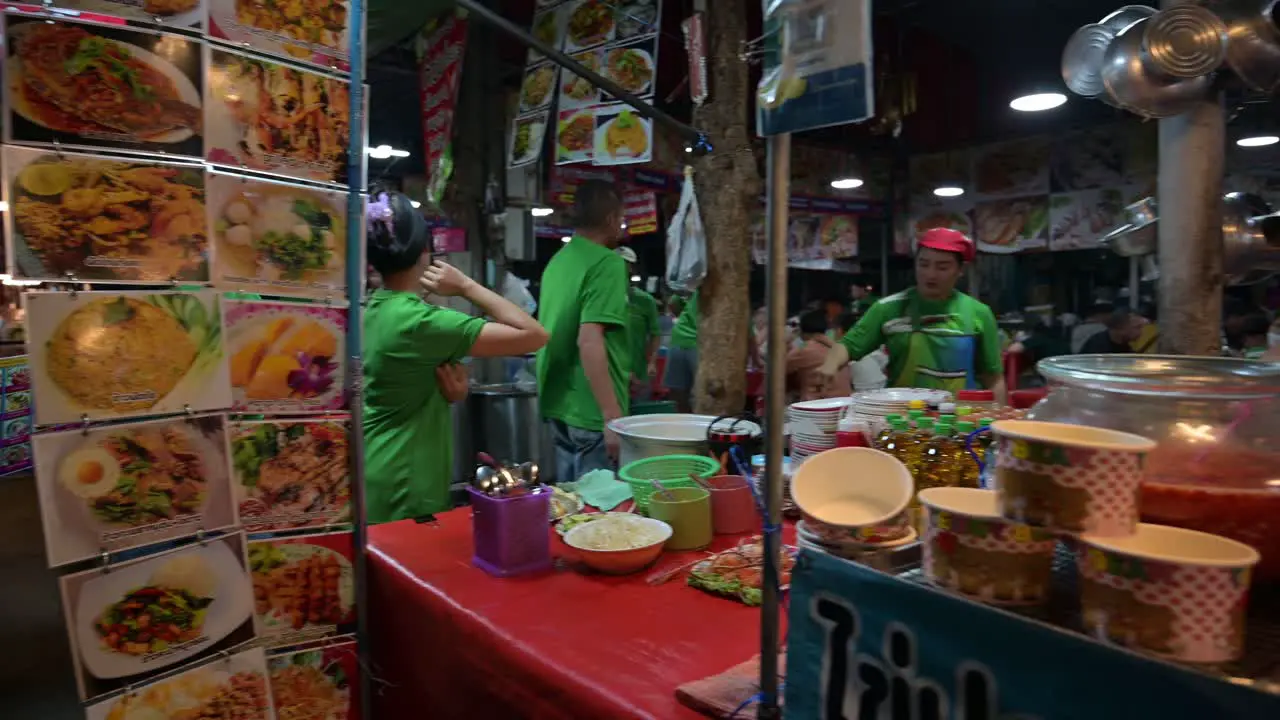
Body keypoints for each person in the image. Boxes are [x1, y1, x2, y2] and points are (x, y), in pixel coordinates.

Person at [363, 192, 547, 524]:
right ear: (425, 252)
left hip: (377, 465)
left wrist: (451, 395)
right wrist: (465, 285)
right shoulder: (420, 322)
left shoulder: (373, 308)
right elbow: (534, 335)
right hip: (406, 480)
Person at [817, 228, 1005, 400]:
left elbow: (993, 378)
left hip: (962, 420)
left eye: (942, 267)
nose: (930, 274)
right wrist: (830, 364)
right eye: (924, 264)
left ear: (960, 270)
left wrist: (1000, 425)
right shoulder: (888, 308)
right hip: (904, 419)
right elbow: (848, 346)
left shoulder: (979, 313)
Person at [537, 180, 631, 481]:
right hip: (591, 410)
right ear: (610, 220)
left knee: (571, 511)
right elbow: (589, 339)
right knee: (597, 513)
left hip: (558, 402)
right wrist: (611, 415)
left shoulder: (558, 261)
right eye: (621, 218)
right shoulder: (607, 263)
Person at [617, 247, 660, 400]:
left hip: (640, 374)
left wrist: (652, 362)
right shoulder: (604, 300)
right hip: (614, 374)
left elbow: (655, 333)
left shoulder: (645, 301)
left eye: (626, 264)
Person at [785, 310, 851, 401]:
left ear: (801, 330)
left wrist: (785, 342)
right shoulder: (838, 347)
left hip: (818, 406)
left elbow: (776, 371)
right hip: (844, 403)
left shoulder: (804, 349)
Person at [666, 289, 700, 412]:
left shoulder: (695, 286)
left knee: (678, 393)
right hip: (701, 343)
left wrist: (684, 315)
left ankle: (681, 425)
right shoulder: (731, 295)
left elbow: (672, 302)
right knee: (701, 394)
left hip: (679, 338)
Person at [835, 311, 887, 392]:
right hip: (884, 391)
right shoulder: (874, 349)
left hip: (864, 396)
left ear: (841, 331)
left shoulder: (848, 356)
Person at [1079, 308, 1144, 354]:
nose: (1141, 332)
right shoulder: (1097, 347)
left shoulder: (1124, 345)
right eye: (1137, 327)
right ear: (1121, 328)